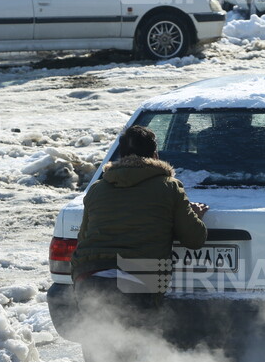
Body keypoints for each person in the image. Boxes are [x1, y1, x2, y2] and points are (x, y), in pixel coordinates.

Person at [71, 124, 208, 343]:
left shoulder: (97, 188)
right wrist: (195, 216)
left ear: (122, 156)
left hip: (89, 276)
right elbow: (194, 239)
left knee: (101, 347)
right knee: (138, 350)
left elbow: (83, 238)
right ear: (155, 155)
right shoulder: (169, 186)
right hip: (137, 278)